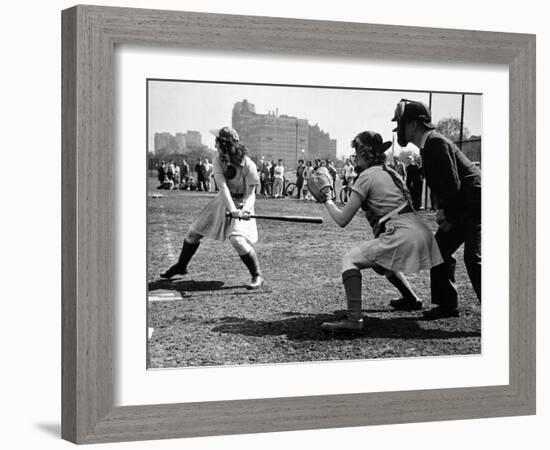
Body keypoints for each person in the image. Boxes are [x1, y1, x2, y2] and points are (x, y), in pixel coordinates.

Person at [310, 131, 442, 332]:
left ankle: (354, 320)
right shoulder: (389, 171)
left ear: (364, 153)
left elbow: (342, 219)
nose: (355, 155)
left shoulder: (365, 177)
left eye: (356, 150)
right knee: (380, 261)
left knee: (350, 259)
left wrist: (327, 198)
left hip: (402, 231)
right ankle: (411, 298)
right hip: (419, 230)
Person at [392, 99, 481, 318]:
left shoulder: (435, 143)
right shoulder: (428, 145)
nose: (399, 130)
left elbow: (453, 185)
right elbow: (443, 186)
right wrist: (443, 210)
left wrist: (449, 216)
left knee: (473, 258)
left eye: (402, 124)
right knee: (439, 250)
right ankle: (447, 305)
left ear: (413, 125)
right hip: (463, 203)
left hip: (474, 203)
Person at [160, 127, 264, 289]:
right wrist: (232, 209)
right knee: (192, 234)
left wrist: (245, 210)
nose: (215, 146)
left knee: (237, 240)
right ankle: (181, 266)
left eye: (217, 143)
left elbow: (251, 194)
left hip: (243, 204)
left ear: (225, 145)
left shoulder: (249, 165)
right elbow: (223, 188)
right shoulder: (217, 161)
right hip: (223, 201)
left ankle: (257, 276)